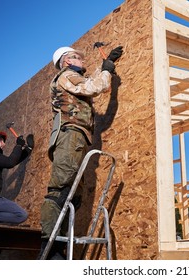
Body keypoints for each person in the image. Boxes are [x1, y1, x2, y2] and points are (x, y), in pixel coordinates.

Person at [38, 45, 123, 259]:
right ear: (66, 61)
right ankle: (50, 249)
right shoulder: (66, 75)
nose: (82, 61)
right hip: (70, 135)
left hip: (77, 137)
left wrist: (107, 67)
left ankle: (59, 246)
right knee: (60, 190)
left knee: (73, 195)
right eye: (78, 57)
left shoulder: (72, 78)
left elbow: (87, 84)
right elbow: (93, 88)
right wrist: (106, 71)